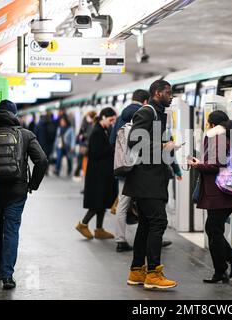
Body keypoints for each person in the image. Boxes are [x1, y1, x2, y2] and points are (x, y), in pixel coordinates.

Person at [124, 80, 177, 289]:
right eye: (168, 92)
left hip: (149, 178)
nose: (171, 96)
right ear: (157, 93)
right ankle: (154, 273)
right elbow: (135, 141)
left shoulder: (157, 113)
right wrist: (163, 145)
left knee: (146, 225)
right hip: (147, 179)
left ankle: (137, 271)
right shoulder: (148, 112)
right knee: (158, 223)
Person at [111, 89, 174, 252]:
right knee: (150, 214)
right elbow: (140, 141)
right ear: (147, 100)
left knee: (123, 203)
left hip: (125, 165)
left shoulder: (120, 117)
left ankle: (120, 239)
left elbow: (113, 140)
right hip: (142, 168)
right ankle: (151, 247)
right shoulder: (147, 113)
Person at [0, 100, 48, 290]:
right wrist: (32, 184)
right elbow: (41, 160)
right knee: (11, 230)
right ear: (14, 114)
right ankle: (7, 275)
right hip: (17, 190)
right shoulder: (25, 134)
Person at [188, 110, 232, 284]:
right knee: (213, 229)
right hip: (225, 193)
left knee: (213, 230)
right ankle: (226, 266)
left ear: (212, 125)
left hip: (220, 193)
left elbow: (215, 165)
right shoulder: (228, 137)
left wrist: (198, 164)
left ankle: (227, 266)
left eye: (207, 123)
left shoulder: (218, 139)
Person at [75, 107, 118, 239]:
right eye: (111, 120)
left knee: (103, 202)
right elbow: (96, 153)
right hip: (97, 174)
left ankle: (99, 229)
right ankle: (83, 224)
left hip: (103, 173)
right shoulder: (97, 132)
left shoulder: (105, 130)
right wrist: (112, 148)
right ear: (104, 116)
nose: (112, 122)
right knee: (97, 203)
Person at [74, 110, 97, 180]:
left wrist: (83, 136)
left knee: (83, 159)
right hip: (85, 144)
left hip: (86, 144)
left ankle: (79, 172)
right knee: (82, 159)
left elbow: (87, 134)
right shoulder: (87, 122)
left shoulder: (92, 124)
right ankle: (80, 172)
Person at [34, 111, 57, 176]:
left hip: (41, 144)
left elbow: (35, 134)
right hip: (49, 144)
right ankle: (46, 170)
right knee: (48, 158)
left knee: (41, 158)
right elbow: (53, 134)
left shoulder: (39, 124)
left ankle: (42, 170)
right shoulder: (51, 123)